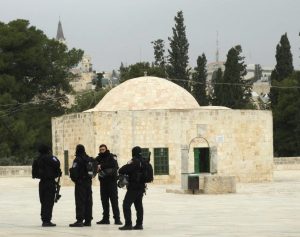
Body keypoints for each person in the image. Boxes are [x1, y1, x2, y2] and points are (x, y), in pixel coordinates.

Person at [118, 146, 146, 230]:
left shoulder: (134, 162)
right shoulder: (144, 161)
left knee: (126, 205)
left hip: (133, 187)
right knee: (139, 206)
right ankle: (139, 224)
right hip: (141, 187)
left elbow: (121, 170)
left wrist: (128, 163)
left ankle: (128, 224)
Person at [34, 144, 61, 227]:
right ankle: (47, 221)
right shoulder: (50, 157)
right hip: (50, 183)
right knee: (49, 202)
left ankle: (44, 219)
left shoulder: (37, 159)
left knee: (43, 201)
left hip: (42, 183)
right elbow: (57, 163)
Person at [95, 144, 122, 225]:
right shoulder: (98, 158)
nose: (101, 151)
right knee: (104, 201)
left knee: (114, 201)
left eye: (103, 149)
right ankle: (105, 219)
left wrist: (101, 166)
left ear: (106, 149)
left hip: (112, 183)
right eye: (100, 150)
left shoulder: (112, 156)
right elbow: (94, 165)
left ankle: (117, 219)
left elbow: (115, 165)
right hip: (103, 183)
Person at [69, 144, 94, 227]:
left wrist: (76, 180)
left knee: (80, 201)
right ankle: (88, 220)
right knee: (88, 201)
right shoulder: (89, 159)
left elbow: (74, 172)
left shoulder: (78, 159)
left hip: (80, 183)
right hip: (88, 182)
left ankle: (79, 220)